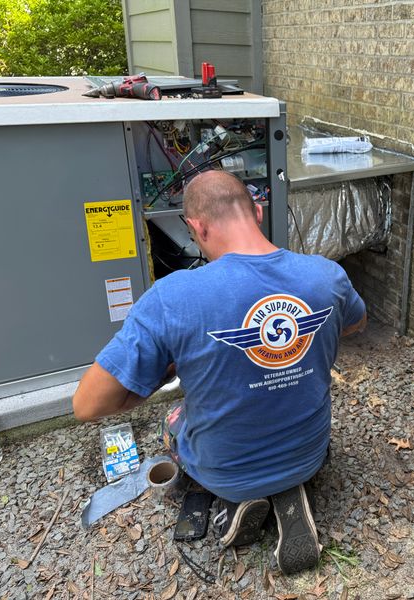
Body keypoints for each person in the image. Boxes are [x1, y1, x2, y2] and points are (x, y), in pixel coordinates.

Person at [72, 170, 366, 575]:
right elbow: (355, 323)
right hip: (308, 455)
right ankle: (287, 490)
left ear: (197, 227)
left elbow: (87, 405)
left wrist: (161, 375)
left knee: (172, 420)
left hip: (225, 473)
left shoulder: (173, 297)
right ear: (257, 213)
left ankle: (237, 500)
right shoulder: (325, 275)